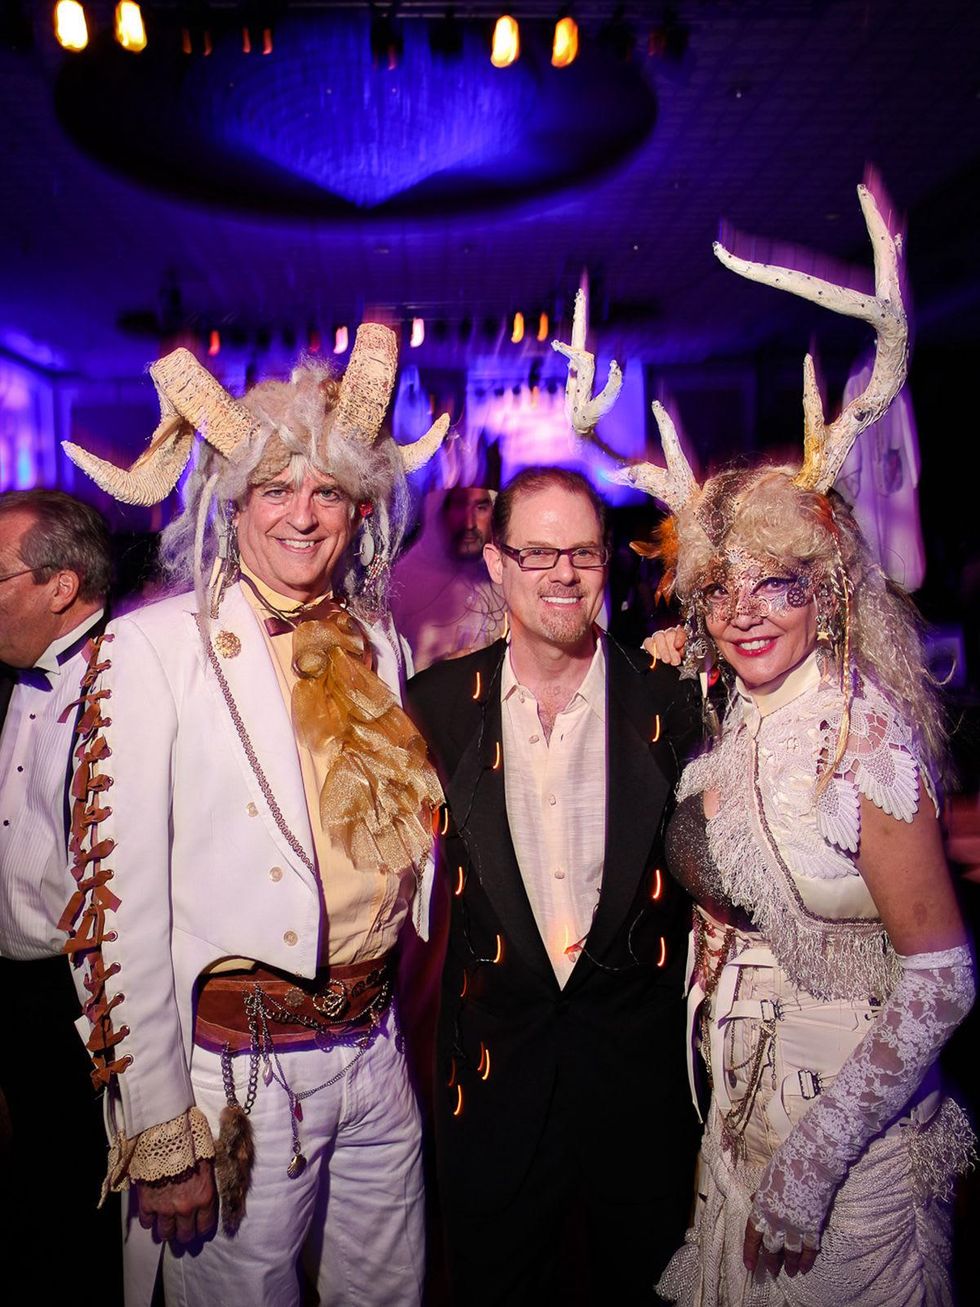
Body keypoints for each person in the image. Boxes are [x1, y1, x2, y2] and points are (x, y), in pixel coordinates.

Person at [626, 185, 974, 1305]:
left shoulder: (863, 734)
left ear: (823, 592)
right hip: (733, 1115)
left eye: (777, 584)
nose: (745, 612)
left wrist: (814, 1166)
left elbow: (941, 978)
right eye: (721, 589)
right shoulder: (737, 705)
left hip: (846, 1153)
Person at [59, 329, 448, 1307]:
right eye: (275, 487)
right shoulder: (155, 648)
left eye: (326, 490)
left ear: (357, 508)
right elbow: (118, 910)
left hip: (375, 1049)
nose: (302, 514)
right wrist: (157, 1131)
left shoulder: (376, 641)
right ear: (233, 503)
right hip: (240, 1070)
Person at [407, 466, 702, 1306]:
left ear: (608, 563)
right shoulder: (438, 707)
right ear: (496, 563)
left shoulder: (671, 701)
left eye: (582, 552)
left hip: (636, 1093)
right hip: (495, 1090)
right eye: (537, 552)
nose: (562, 574)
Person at [0, 488, 121, 1291]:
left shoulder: (130, 682)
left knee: (95, 1221)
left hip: (91, 1001)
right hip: (17, 989)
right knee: (36, 1201)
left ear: (60, 585)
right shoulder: (12, 676)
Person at [391, 483, 505, 672]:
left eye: (481, 508)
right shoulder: (401, 582)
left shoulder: (507, 574)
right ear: (439, 512)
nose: (469, 523)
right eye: (459, 506)